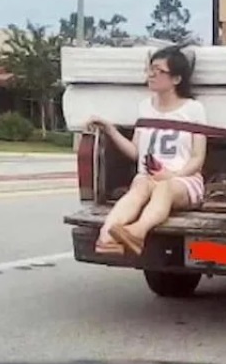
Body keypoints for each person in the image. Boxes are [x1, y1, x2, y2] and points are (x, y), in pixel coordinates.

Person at [86, 45, 207, 255]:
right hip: (149, 177)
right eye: (150, 69)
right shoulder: (145, 107)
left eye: (158, 70)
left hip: (184, 180)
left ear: (176, 79)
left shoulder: (193, 109)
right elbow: (135, 152)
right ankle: (106, 238)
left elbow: (198, 157)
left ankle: (138, 232)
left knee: (164, 188)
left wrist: (173, 175)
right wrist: (110, 129)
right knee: (138, 187)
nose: (151, 75)